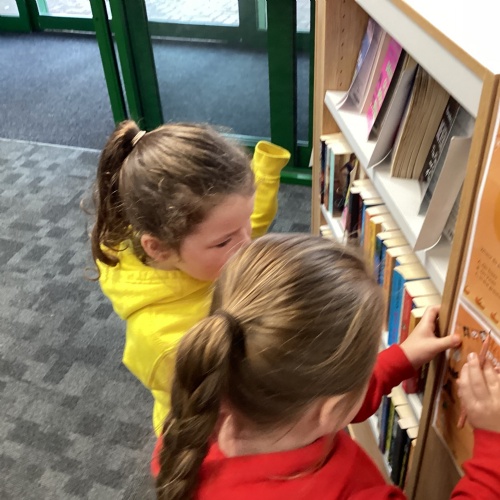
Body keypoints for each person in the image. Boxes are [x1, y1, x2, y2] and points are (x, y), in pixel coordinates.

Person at [153, 233, 500, 500]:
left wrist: (401, 359)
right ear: (332, 409)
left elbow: (306, 404)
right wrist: (493, 443)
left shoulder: (189, 429)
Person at [90, 120, 290, 435]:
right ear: (159, 249)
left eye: (247, 222)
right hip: (206, 430)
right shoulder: (165, 341)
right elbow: (221, 400)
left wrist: (264, 173)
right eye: (224, 242)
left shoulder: (209, 242)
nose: (247, 244)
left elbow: (241, 225)